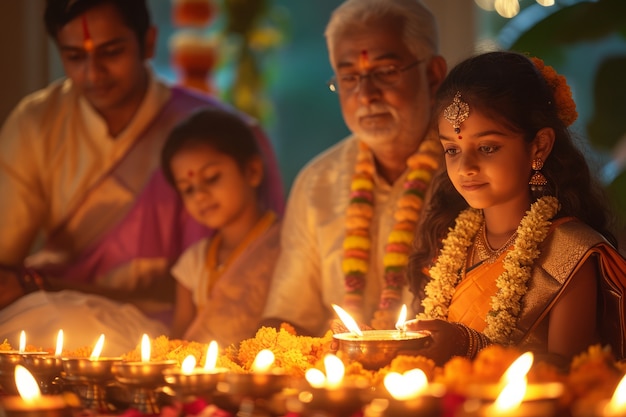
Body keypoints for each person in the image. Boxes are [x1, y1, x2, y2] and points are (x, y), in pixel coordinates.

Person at [0, 0, 284, 326]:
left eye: (111, 52)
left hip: (172, 326)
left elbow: (257, 268)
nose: (93, 73)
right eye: (75, 57)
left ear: (148, 42)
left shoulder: (217, 133)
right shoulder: (36, 125)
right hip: (58, 312)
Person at [406, 50, 626, 369]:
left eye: (487, 148)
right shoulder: (447, 241)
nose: (465, 166)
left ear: (539, 146)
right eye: (452, 149)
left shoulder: (571, 252)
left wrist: (469, 346)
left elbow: (568, 374)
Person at [260, 0, 447, 336]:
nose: (366, 95)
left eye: (386, 72)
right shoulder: (318, 182)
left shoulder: (468, 172)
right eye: (349, 77)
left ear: (433, 74)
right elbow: (288, 319)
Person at [161, 108, 281, 347]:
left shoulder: (286, 244)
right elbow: (180, 336)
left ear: (252, 171)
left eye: (212, 177)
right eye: (188, 189)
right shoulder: (193, 262)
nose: (200, 196)